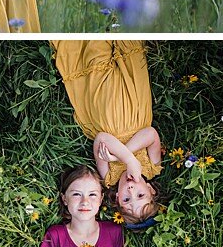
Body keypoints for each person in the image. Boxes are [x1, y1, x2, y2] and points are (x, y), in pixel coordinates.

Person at [52, 40, 165, 228]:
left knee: (95, 54)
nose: (130, 189)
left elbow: (101, 138)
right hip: (134, 104)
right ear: (151, 189)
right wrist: (127, 158)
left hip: (104, 110)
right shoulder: (152, 168)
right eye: (140, 195)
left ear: (118, 198)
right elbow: (151, 134)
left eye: (127, 200)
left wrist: (120, 158)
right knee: (129, 52)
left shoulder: (109, 177)